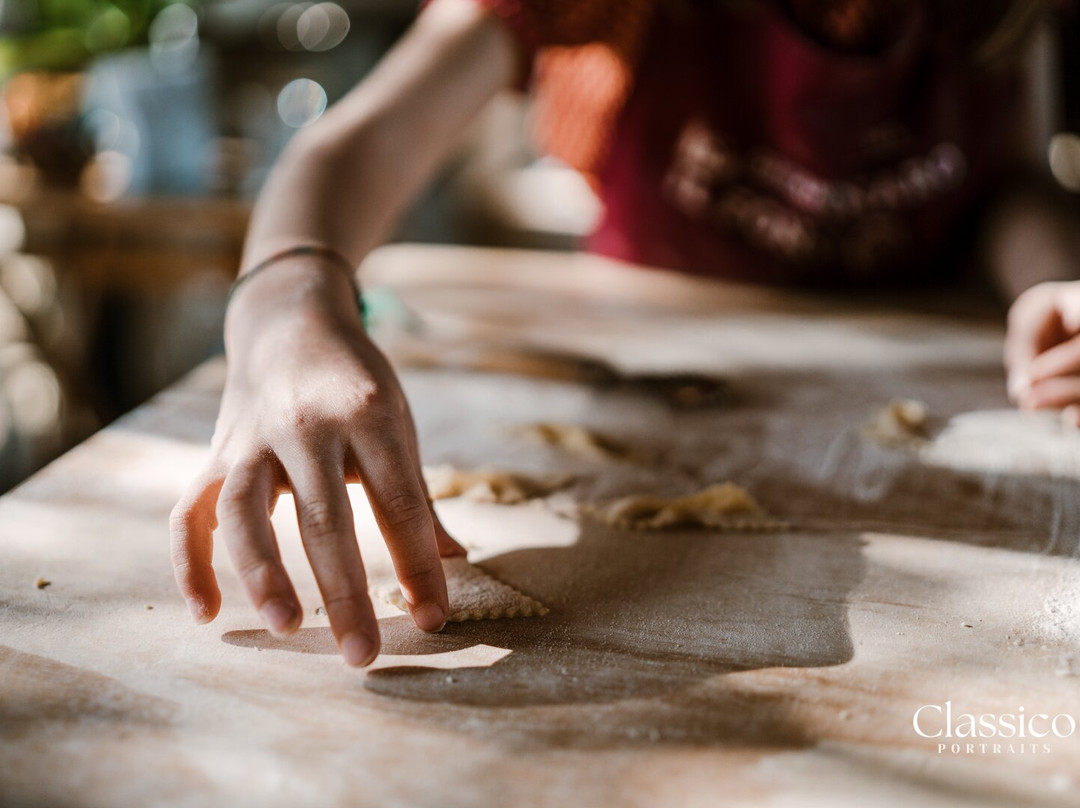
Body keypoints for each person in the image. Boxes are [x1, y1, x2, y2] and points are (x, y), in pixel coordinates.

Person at [170, 0, 1080, 667]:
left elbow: (1012, 180)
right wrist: (287, 302)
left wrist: (1053, 279)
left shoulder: (1000, 19)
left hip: (919, 351)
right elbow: (358, 145)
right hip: (640, 345)